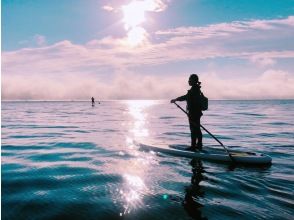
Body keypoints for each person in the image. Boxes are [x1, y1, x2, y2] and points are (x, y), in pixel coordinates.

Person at [171, 74, 203, 151]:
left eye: (190, 79)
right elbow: (186, 97)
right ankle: (198, 145)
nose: (188, 81)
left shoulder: (194, 90)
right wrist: (176, 99)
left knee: (194, 130)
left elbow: (185, 97)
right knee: (197, 129)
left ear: (194, 81)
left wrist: (175, 99)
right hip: (196, 113)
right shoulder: (195, 89)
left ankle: (193, 146)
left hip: (194, 113)